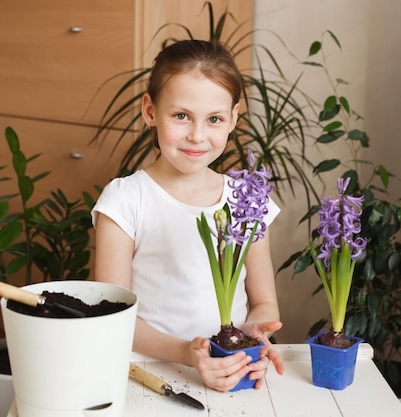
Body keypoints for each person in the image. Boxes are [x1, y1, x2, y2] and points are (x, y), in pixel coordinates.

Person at [92, 39, 284, 392]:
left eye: (214, 119)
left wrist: (254, 333)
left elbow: (263, 302)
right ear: (150, 110)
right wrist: (188, 353)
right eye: (181, 116)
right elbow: (113, 315)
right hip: (147, 375)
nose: (197, 135)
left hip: (232, 370)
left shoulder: (247, 200)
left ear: (233, 118)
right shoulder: (125, 200)